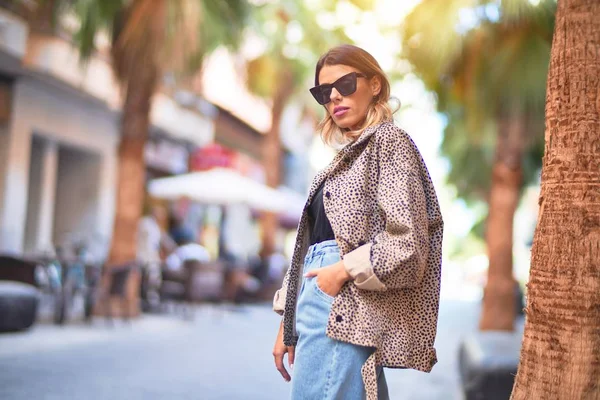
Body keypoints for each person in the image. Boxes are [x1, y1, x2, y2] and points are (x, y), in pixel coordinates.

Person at [271, 44, 444, 400]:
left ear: (375, 85)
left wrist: (340, 272)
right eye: (323, 92)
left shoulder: (389, 141)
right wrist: (287, 324)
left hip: (344, 302)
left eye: (346, 84)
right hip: (320, 304)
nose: (334, 96)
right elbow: (312, 246)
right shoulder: (340, 162)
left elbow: (408, 242)